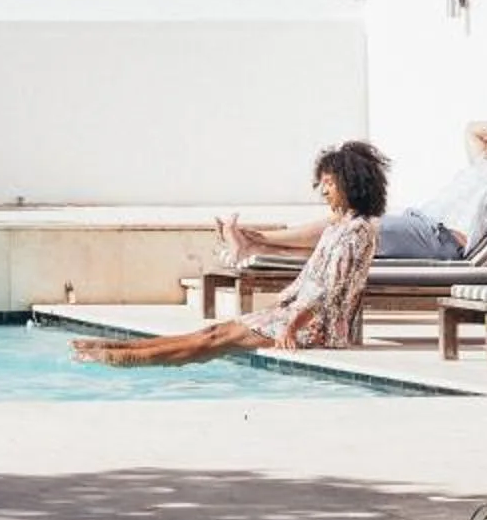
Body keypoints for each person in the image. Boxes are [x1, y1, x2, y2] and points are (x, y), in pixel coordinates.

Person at [75, 141, 388, 365]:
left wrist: (291, 326)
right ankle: (120, 348)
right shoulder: (338, 227)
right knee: (213, 332)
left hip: (316, 328)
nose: (323, 191)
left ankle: (123, 358)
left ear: (350, 185)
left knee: (214, 341)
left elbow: (327, 292)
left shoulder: (356, 232)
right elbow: (315, 273)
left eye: (329, 183)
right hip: (295, 315)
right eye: (322, 183)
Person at [218, 111, 487, 264]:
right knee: (345, 238)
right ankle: (255, 247)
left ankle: (255, 237)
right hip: (419, 225)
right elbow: (470, 129)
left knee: (352, 226)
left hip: (441, 238)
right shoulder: (483, 165)